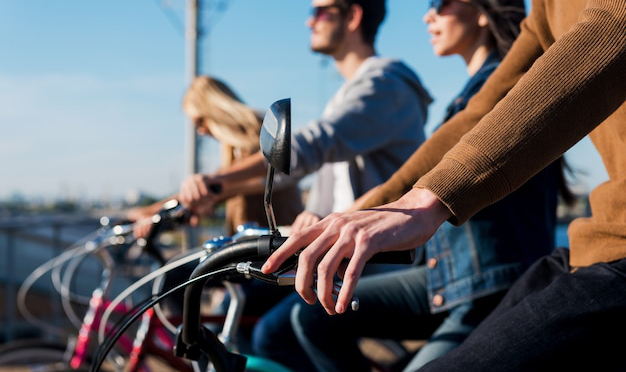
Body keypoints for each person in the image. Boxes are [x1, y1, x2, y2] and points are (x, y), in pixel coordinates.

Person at [262, 0, 626, 370]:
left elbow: (612, 29)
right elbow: (474, 117)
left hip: (541, 268)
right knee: (303, 319)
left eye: (441, 3)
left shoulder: (389, 82)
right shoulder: (547, 11)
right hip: (588, 249)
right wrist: (366, 213)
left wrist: (428, 201)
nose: (427, 14)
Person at [177, 0, 432, 232]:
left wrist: (216, 179)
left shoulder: (385, 86)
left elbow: (313, 144)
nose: (309, 21)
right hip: (350, 257)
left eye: (320, 12)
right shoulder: (351, 94)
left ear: (353, 16)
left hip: (380, 264)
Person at [127, 75, 303, 236]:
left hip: (279, 247)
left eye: (200, 121)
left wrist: (151, 211)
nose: (201, 131)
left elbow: (221, 186)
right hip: (256, 249)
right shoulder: (234, 148)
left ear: (217, 110)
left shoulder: (262, 133)